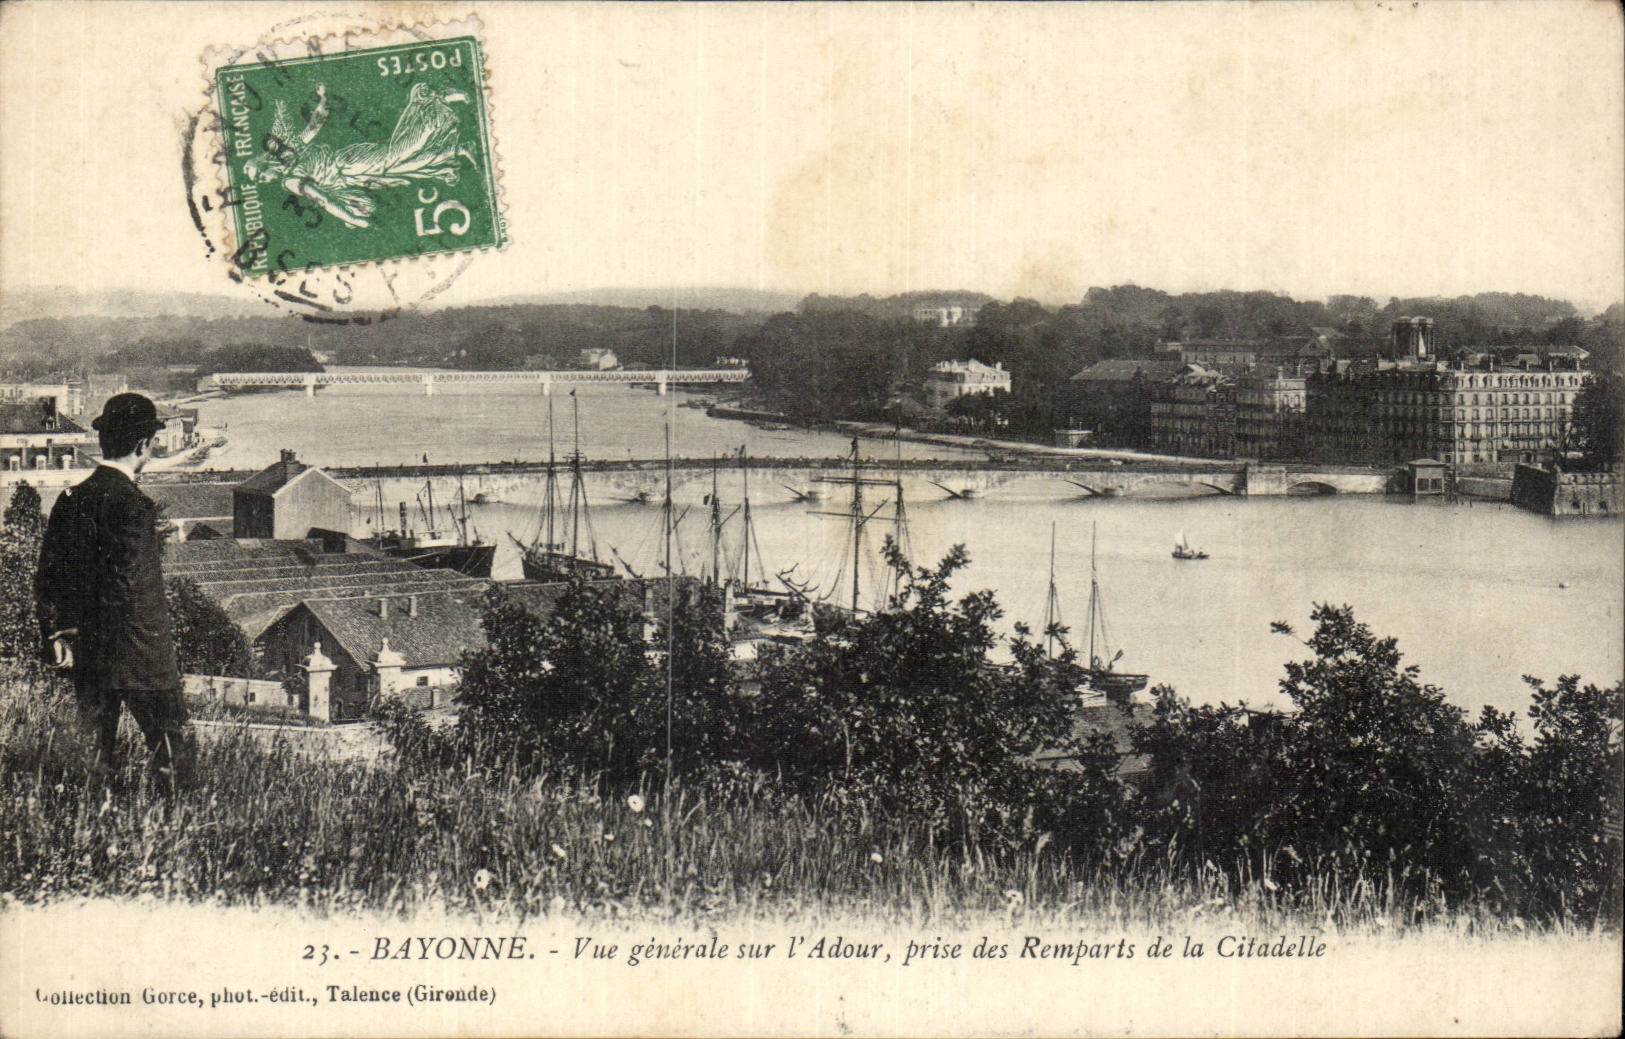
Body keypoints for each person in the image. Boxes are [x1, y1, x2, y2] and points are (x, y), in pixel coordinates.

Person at [34, 393, 194, 794]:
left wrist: (58, 633)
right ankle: (174, 832)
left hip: (88, 651)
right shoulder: (134, 506)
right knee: (175, 754)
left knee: (94, 757)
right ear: (142, 445)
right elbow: (132, 586)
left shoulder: (70, 500)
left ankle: (94, 825)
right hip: (140, 652)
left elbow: (49, 577)